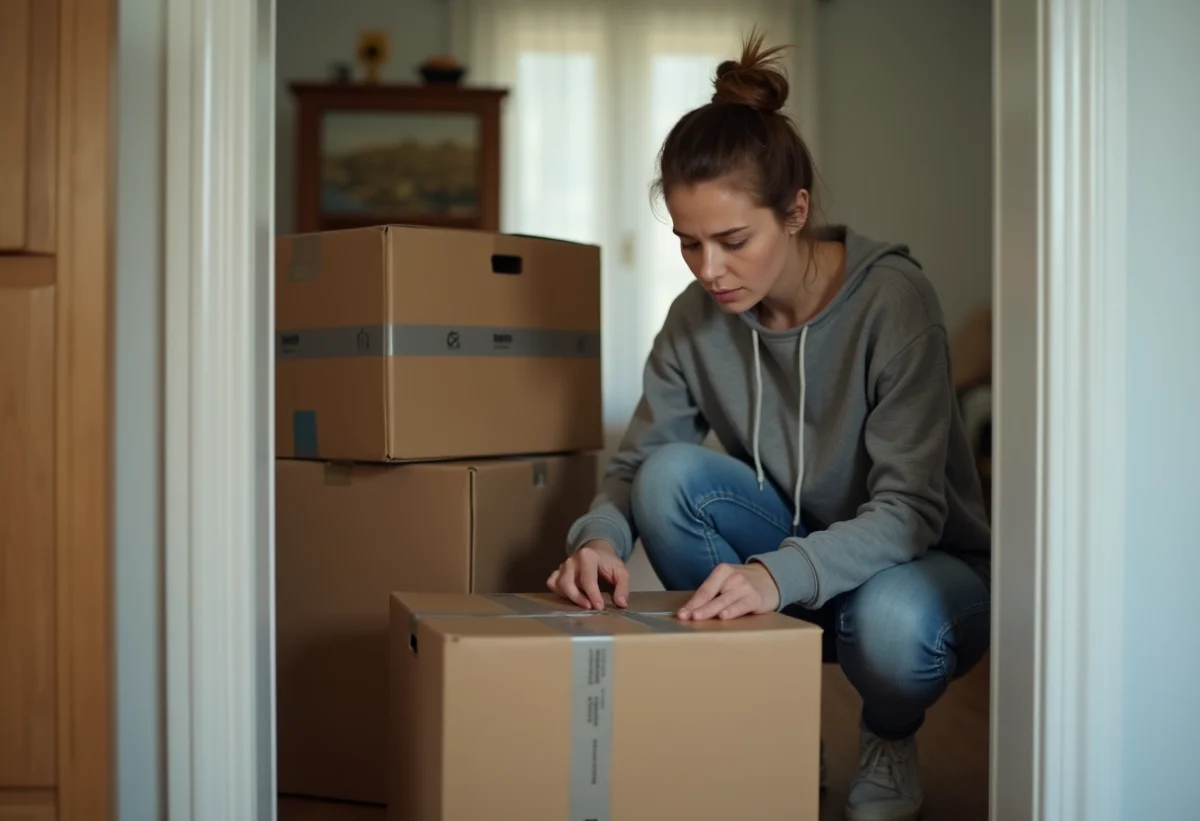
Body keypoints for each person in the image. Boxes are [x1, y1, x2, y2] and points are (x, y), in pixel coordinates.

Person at [545, 29, 992, 821]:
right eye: (688, 243)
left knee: (891, 623)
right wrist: (598, 540)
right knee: (666, 476)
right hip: (788, 546)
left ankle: (888, 733)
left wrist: (772, 575)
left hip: (917, 568)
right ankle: (778, 714)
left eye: (732, 241)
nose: (708, 269)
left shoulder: (895, 304)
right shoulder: (695, 320)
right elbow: (635, 461)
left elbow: (910, 512)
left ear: (796, 212)